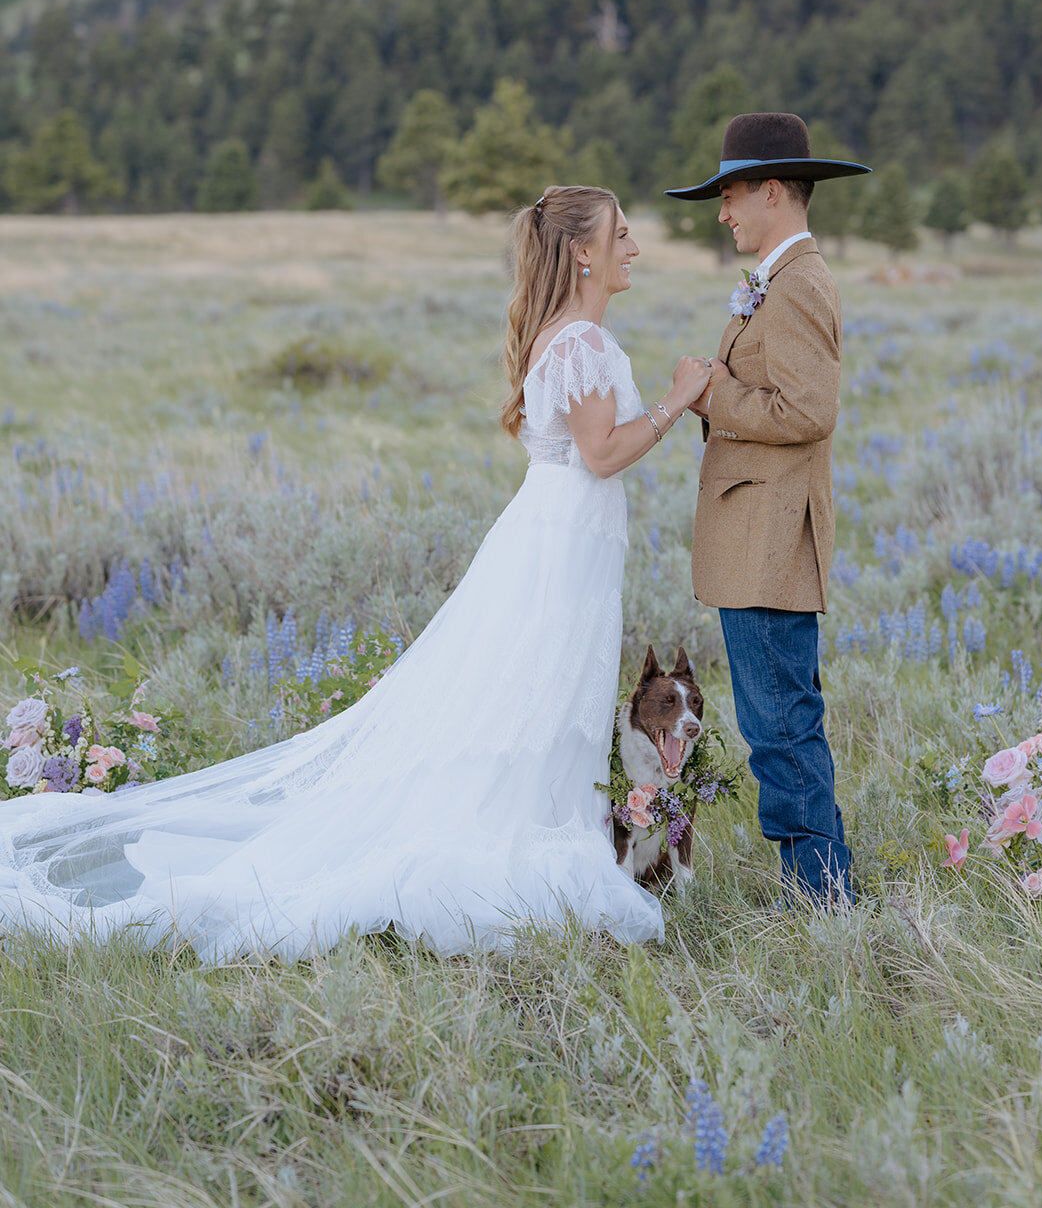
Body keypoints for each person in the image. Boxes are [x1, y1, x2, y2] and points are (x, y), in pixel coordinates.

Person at [0, 186, 710, 960]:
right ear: (583, 252)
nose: (634, 248)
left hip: (557, 536)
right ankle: (523, 841)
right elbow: (603, 454)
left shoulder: (566, 337)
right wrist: (678, 398)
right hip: (561, 542)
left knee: (537, 695)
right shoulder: (581, 343)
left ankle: (542, 822)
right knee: (541, 693)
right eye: (622, 234)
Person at [665, 114, 871, 904]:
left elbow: (806, 411)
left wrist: (712, 393)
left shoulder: (797, 284)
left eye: (730, 195)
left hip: (769, 542)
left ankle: (822, 894)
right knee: (777, 725)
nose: (722, 213)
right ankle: (816, 886)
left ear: (773, 192)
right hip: (755, 538)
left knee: (780, 729)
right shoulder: (779, 279)